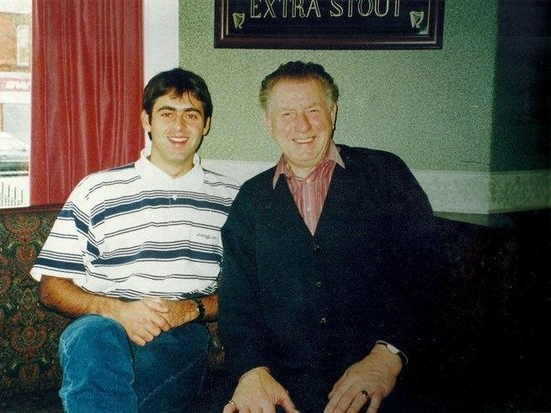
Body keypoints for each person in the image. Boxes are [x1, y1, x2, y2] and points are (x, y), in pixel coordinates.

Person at [219, 61, 446, 413]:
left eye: (313, 110)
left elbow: (428, 273)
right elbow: (237, 300)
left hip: (380, 377)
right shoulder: (251, 199)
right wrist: (252, 371)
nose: (302, 126)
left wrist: (389, 354)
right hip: (283, 385)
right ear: (268, 123)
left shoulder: (384, 175)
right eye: (287, 114)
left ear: (333, 112)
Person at [30, 68, 238, 412]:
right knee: (94, 337)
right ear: (146, 120)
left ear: (206, 124)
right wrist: (117, 311)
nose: (179, 126)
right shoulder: (96, 190)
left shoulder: (232, 199)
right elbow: (51, 288)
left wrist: (190, 309)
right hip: (99, 326)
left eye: (191, 115)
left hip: (179, 333)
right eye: (167, 113)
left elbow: (246, 291)